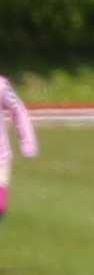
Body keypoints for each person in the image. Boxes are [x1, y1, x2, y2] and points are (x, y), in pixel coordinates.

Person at [0, 74, 36, 230]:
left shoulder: (1, 86)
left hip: (1, 157)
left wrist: (28, 143)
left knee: (0, 205)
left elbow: (18, 109)